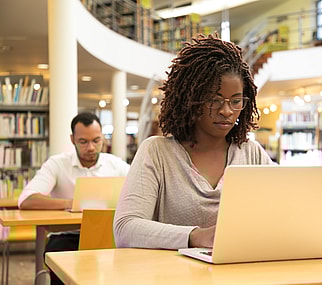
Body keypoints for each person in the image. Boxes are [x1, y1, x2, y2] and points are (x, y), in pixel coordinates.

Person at [113, 33, 275, 250]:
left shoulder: (252, 153)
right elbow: (125, 229)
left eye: (236, 101)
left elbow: (278, 213)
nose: (226, 111)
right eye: (214, 100)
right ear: (191, 100)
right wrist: (196, 236)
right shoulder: (157, 153)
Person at [18, 112, 130, 285]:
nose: (91, 147)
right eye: (83, 142)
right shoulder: (57, 164)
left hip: (108, 236)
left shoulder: (116, 165)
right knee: (59, 257)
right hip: (67, 235)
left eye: (96, 140)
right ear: (72, 140)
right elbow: (26, 200)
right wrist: (72, 203)